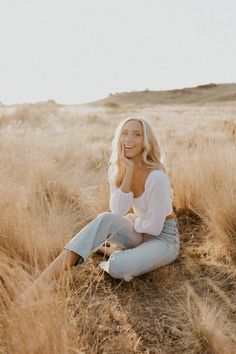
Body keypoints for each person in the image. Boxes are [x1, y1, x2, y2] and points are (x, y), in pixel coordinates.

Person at [17, 117, 180, 302]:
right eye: (125, 133)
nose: (129, 139)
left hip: (164, 239)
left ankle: (107, 249)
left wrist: (135, 219)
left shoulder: (157, 176)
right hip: (140, 231)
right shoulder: (119, 170)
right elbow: (117, 211)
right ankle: (40, 284)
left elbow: (154, 228)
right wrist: (129, 171)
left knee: (118, 267)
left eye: (137, 134)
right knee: (105, 219)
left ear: (146, 141)